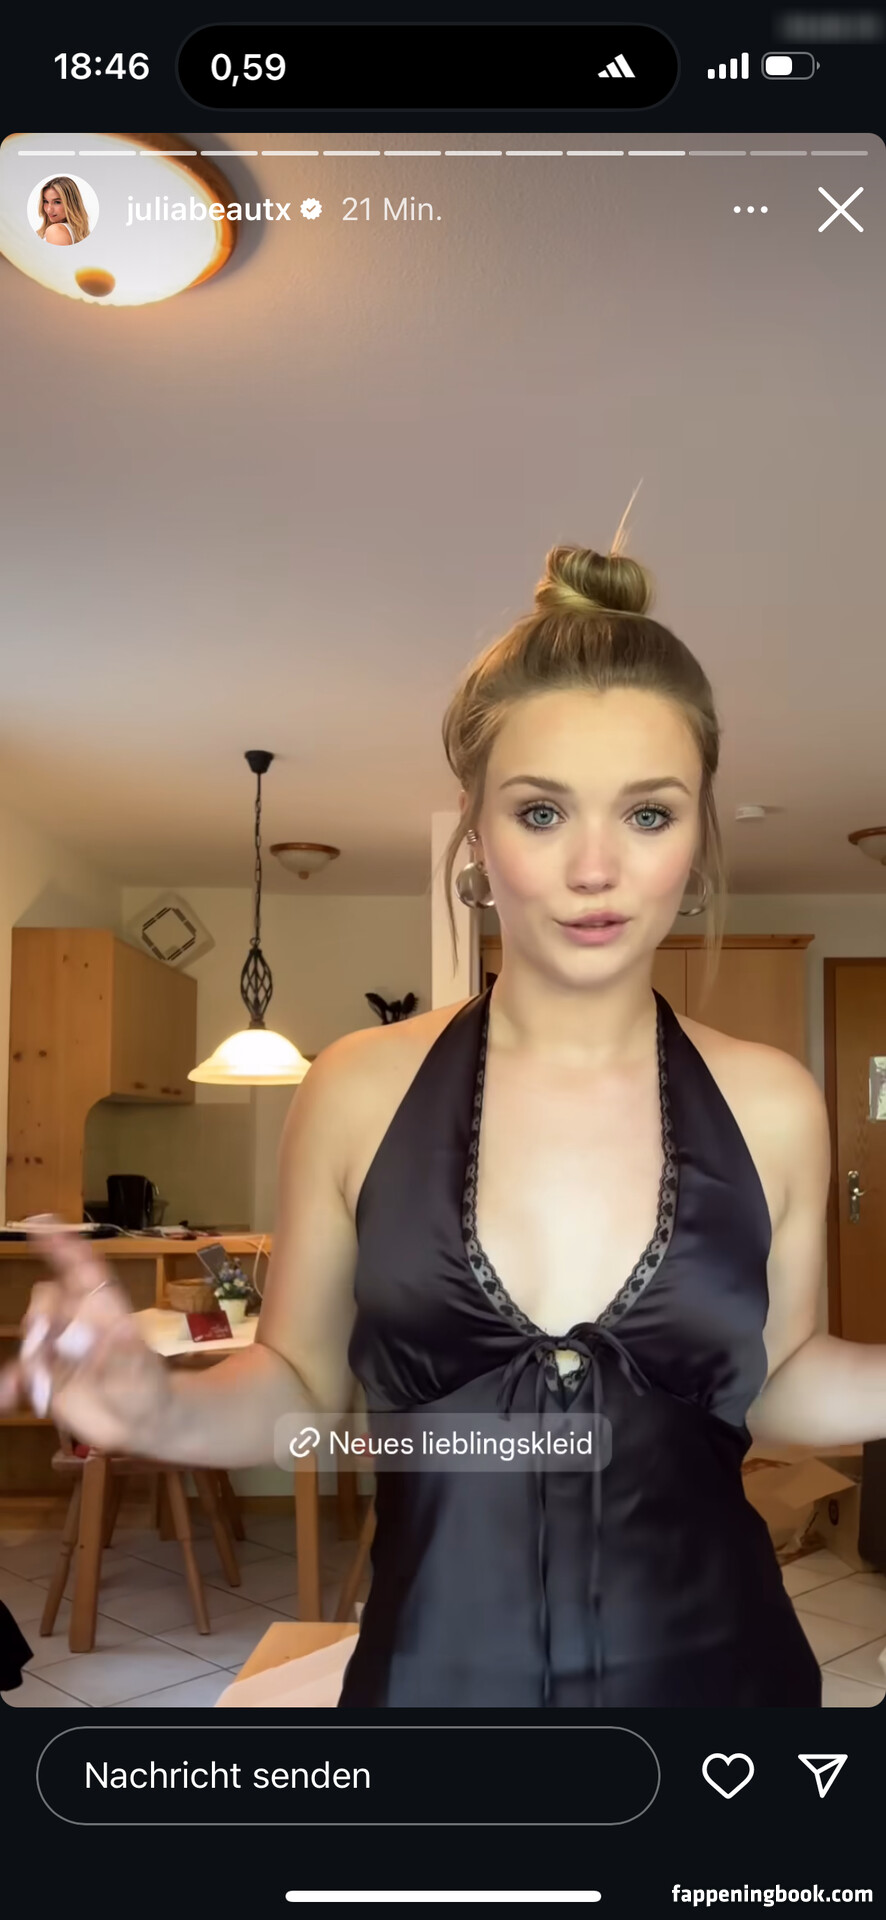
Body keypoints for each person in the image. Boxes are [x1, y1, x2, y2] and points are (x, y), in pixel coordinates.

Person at [3, 524, 886, 1707]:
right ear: (476, 830)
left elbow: (778, 1383)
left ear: (698, 837)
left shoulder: (770, 1101)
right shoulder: (359, 1089)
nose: (593, 868)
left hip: (722, 1702)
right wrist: (156, 1405)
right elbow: (298, 1390)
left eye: (647, 813)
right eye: (540, 812)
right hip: (431, 1703)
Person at [35, 177, 89, 246]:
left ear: (71, 204)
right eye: (46, 201)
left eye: (57, 202)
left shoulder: (55, 230)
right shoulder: (75, 231)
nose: (49, 209)